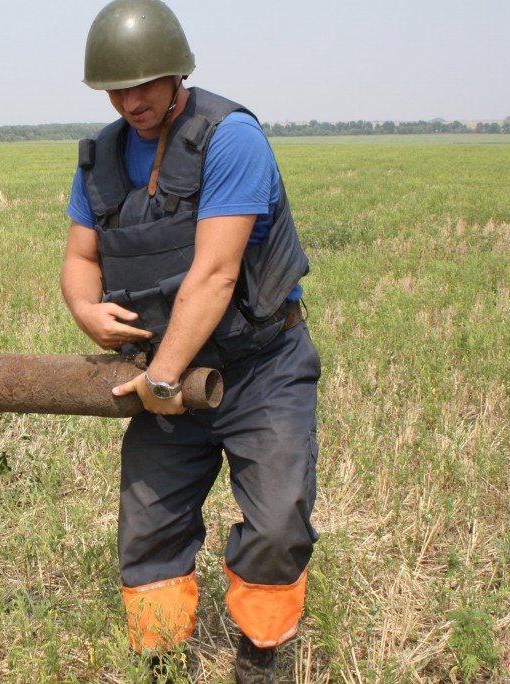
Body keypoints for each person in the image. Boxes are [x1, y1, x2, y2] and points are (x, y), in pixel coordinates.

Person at [61, 1, 321, 681]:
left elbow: (215, 273)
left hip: (261, 366)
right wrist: (85, 307)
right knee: (149, 530)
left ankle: (261, 655)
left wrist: (163, 379)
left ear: (178, 73)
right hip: (167, 372)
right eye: (117, 89)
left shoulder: (230, 138)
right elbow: (81, 258)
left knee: (278, 521)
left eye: (145, 85)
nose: (131, 101)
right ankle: (160, 659)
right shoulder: (101, 157)